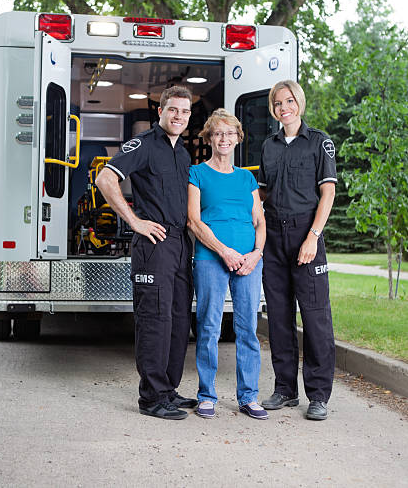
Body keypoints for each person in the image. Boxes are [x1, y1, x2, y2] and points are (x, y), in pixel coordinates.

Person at [95, 85, 196, 420]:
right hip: (154, 245)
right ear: (161, 112)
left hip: (182, 245)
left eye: (185, 111)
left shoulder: (182, 153)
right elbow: (105, 178)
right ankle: (151, 397)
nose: (179, 116)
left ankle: (168, 389)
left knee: (179, 319)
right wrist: (136, 221)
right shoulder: (143, 145)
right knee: (155, 319)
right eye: (173, 110)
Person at [258, 80, 337, 421]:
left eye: (289, 101)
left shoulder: (320, 142)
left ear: (299, 103)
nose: (283, 107)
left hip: (306, 234)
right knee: (278, 316)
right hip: (274, 236)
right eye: (277, 103)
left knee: (316, 317)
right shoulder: (269, 145)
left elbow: (328, 194)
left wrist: (313, 237)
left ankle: (318, 395)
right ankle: (285, 389)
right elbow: (261, 194)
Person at [187, 109, 267, 420]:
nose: (224, 138)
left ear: (237, 139)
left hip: (249, 261)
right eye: (218, 133)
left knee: (247, 328)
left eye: (229, 133)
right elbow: (194, 221)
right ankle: (206, 395)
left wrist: (256, 253)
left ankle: (249, 396)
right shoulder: (198, 173)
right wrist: (224, 251)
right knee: (208, 326)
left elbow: (259, 221)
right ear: (208, 138)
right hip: (211, 257)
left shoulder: (247, 177)